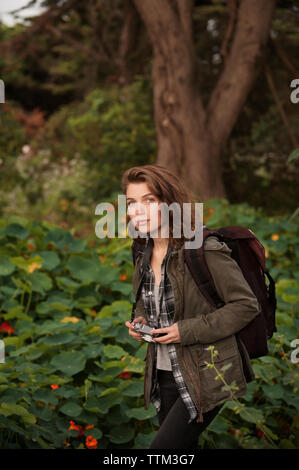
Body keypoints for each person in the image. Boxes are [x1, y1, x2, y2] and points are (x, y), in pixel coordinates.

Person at [123, 164, 260, 449]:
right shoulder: (142, 251)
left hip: (207, 371)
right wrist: (140, 322)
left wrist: (185, 331)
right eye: (132, 203)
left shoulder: (202, 249)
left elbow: (245, 305)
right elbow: (149, 305)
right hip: (163, 369)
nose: (138, 210)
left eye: (149, 200)